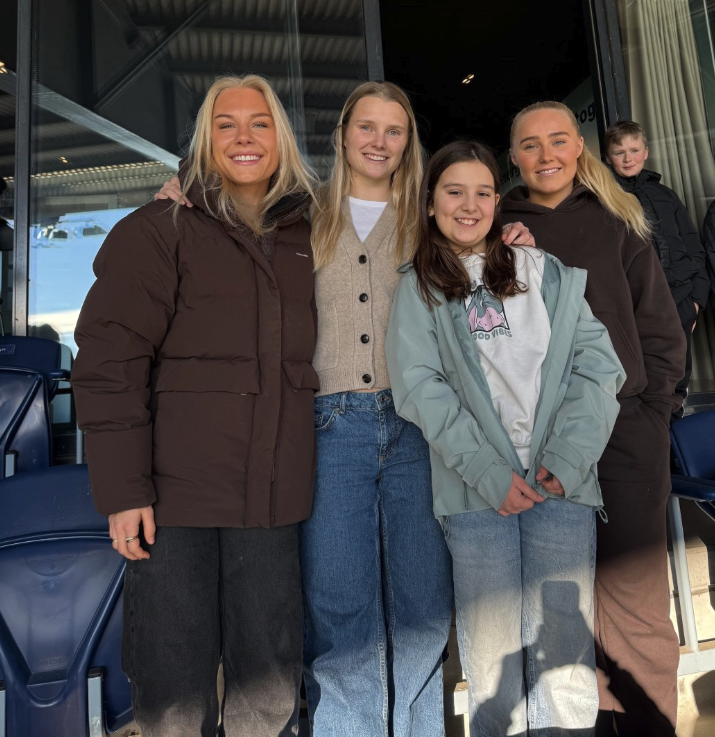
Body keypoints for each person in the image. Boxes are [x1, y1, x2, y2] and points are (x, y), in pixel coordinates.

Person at [157, 80, 535, 737]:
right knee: (340, 607)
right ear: (342, 134)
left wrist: (508, 232)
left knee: (421, 604)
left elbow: (485, 266)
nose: (379, 141)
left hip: (419, 430)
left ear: (407, 141)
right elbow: (227, 217)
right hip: (328, 429)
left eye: (394, 130)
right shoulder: (297, 212)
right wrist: (181, 193)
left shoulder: (431, 217)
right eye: (367, 127)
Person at [71, 74, 319, 737]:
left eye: (259, 123)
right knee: (172, 693)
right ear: (205, 141)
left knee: (268, 689)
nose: (243, 137)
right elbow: (107, 358)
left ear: (281, 138)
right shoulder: (160, 228)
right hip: (173, 502)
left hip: (270, 501)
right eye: (225, 124)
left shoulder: (309, 236)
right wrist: (123, 490)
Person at [386, 140, 625, 736]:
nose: (470, 206)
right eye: (454, 191)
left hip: (560, 489)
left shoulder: (543, 272)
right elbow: (420, 389)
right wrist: (491, 474)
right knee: (493, 668)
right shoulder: (418, 289)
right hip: (477, 497)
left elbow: (600, 369)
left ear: (500, 200)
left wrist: (568, 461)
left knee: (566, 660)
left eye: (484, 192)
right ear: (430, 201)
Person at [502, 101, 687, 737]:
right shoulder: (495, 224)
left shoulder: (619, 221)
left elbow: (661, 327)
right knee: (561, 615)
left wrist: (653, 409)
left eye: (560, 140)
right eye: (531, 145)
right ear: (515, 157)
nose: (547, 155)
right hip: (541, 445)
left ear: (580, 149)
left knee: (635, 607)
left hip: (626, 432)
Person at [604, 120, 709, 411]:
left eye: (634, 150)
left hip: (680, 300)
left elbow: (692, 245)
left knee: (678, 379)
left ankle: (676, 451)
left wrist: (696, 300)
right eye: (619, 152)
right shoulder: (606, 200)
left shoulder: (666, 195)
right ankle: (656, 448)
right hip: (638, 305)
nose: (628, 158)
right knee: (645, 382)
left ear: (646, 152)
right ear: (607, 157)